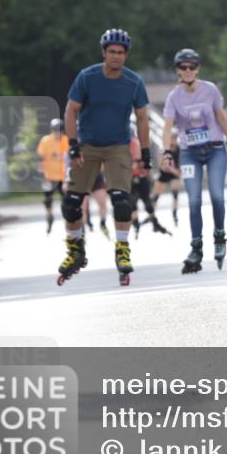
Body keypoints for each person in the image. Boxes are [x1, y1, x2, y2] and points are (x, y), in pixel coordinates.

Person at [57, 28, 150, 286]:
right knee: (71, 204)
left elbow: (142, 117)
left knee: (121, 201)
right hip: (87, 145)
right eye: (111, 52)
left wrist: (144, 152)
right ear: (103, 53)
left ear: (126, 55)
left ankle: (122, 250)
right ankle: (75, 251)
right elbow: (70, 111)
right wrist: (73, 145)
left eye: (120, 53)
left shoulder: (134, 82)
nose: (116, 57)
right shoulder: (87, 77)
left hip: (118, 145)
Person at [160, 48, 227, 273]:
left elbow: (221, 116)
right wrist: (166, 152)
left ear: (198, 69)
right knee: (194, 200)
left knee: (216, 195)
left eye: (192, 67)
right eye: (183, 67)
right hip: (189, 154)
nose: (187, 71)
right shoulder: (174, 96)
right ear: (177, 70)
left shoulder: (210, 89)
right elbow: (167, 127)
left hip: (215, 149)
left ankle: (219, 236)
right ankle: (196, 247)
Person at [129, 136, 171, 238]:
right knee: (134, 203)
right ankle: (138, 225)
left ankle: (151, 224)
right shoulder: (129, 143)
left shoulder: (137, 142)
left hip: (141, 176)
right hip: (133, 177)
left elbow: (144, 161)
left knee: (145, 202)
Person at [36, 118, 69, 233]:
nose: (57, 133)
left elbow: (69, 159)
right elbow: (41, 158)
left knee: (65, 201)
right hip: (49, 176)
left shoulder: (66, 141)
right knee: (48, 199)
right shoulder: (46, 141)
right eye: (55, 130)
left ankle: (67, 222)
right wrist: (42, 175)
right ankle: (49, 216)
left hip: (63, 177)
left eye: (59, 130)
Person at [151, 131, 181, 227]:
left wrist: (172, 169)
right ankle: (152, 216)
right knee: (156, 196)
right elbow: (161, 166)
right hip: (164, 173)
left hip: (173, 173)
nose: (173, 141)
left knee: (175, 194)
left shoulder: (178, 150)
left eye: (174, 139)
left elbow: (179, 171)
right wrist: (169, 168)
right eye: (171, 138)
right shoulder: (163, 149)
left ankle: (175, 214)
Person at [82, 169, 111, 239]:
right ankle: (82, 230)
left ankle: (103, 223)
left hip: (96, 175)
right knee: (83, 207)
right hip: (82, 176)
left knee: (102, 202)